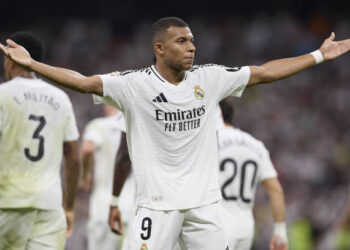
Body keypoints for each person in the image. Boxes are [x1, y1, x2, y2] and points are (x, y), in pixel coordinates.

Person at [0, 17, 349, 250]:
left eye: (192, 41)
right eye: (181, 41)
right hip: (157, 208)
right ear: (160, 48)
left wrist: (318, 55)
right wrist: (32, 65)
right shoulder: (133, 85)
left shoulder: (209, 78)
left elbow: (265, 73)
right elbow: (81, 81)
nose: (191, 47)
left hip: (204, 208)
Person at [0, 31, 80, 250]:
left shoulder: (3, 95)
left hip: (8, 204)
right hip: (49, 204)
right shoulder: (60, 98)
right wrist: (70, 206)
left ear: (10, 59)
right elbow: (73, 156)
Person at [217, 99, 287, 250]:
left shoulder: (208, 141)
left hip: (216, 227)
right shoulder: (257, 145)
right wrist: (280, 231)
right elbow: (276, 190)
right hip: (245, 229)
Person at [80, 104, 135, 250]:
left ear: (106, 104)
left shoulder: (99, 125)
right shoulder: (135, 125)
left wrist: (85, 174)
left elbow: (87, 149)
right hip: (132, 209)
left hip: (104, 209)